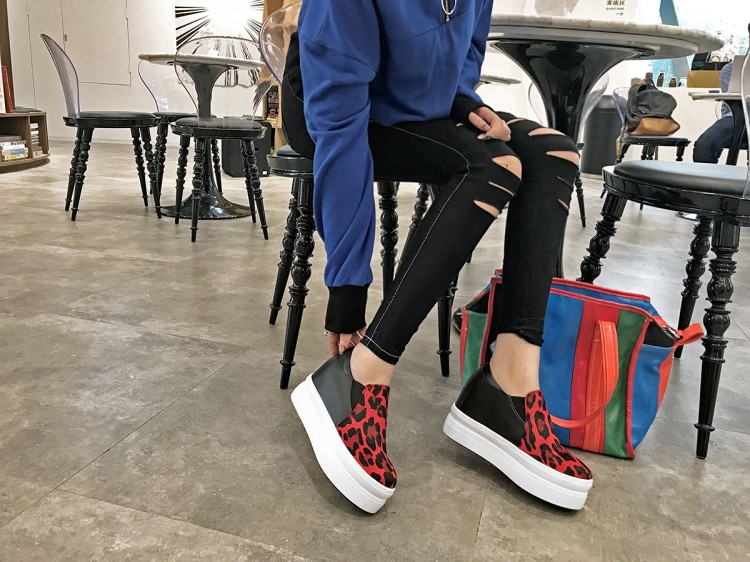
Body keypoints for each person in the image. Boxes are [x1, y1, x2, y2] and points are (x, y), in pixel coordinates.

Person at [283, 0, 592, 514]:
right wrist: (347, 287)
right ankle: (361, 371)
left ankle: (509, 381)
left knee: (552, 152)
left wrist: (460, 98)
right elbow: (339, 129)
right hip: (336, 103)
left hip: (416, 103)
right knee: (492, 165)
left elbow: (464, 52)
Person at [692, 61, 735, 163]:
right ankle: (708, 173)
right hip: (734, 117)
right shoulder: (731, 69)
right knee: (703, 146)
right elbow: (733, 99)